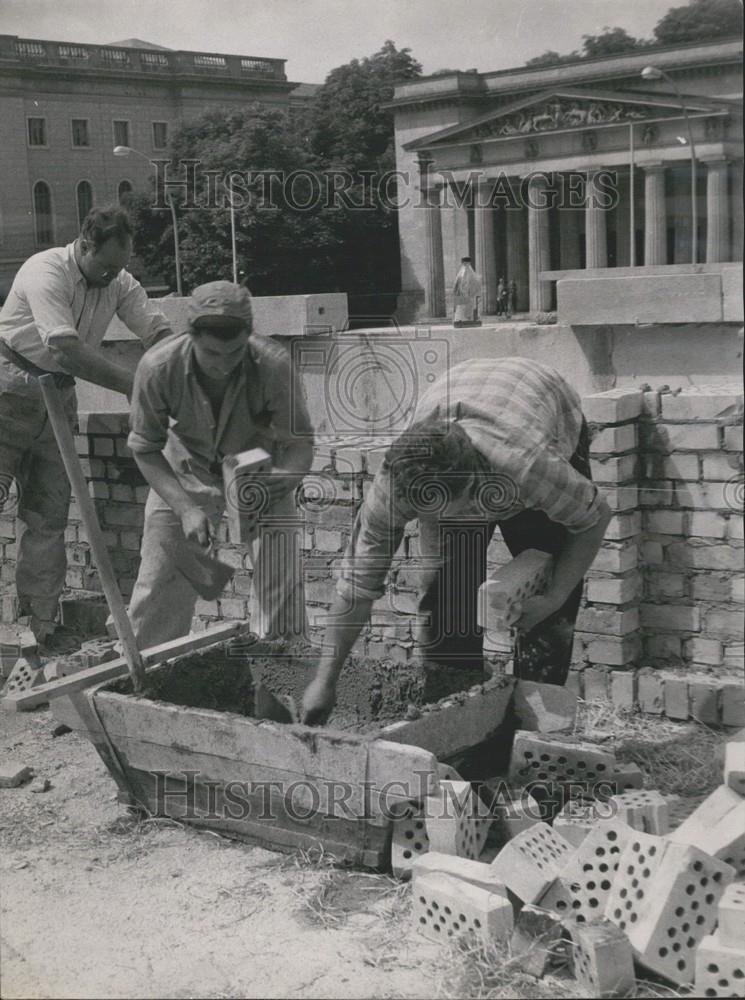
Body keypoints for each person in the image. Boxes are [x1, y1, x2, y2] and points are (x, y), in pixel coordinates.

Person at [301, 357, 611, 725]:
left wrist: (555, 595)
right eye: (425, 512)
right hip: (465, 396)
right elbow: (355, 586)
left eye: (448, 510)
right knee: (445, 608)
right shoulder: (393, 486)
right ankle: (456, 724)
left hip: (544, 404)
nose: (442, 522)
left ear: (475, 484)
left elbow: (593, 520)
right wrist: (325, 682)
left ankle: (533, 731)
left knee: (547, 608)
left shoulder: (530, 468)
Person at [0, 205, 174, 643]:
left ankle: (38, 630)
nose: (111, 275)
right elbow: (65, 349)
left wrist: (176, 369)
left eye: (121, 266)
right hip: (8, 391)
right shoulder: (45, 270)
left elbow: (155, 331)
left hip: (56, 398)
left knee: (47, 516)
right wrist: (134, 385)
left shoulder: (118, 280)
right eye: (106, 265)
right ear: (84, 244)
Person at [126, 280, 314, 649]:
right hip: (184, 472)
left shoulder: (273, 365)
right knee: (159, 583)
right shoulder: (157, 367)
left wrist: (286, 477)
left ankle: (280, 685)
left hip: (260, 476)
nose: (224, 366)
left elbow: (300, 443)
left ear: (248, 336)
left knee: (281, 588)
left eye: (234, 354)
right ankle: (143, 686)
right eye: (212, 354)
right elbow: (145, 449)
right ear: (191, 336)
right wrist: (184, 508)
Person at [452, 257, 482, 327]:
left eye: (466, 264)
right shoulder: (465, 274)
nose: (466, 265)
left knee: (466, 309)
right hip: (464, 297)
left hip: (467, 297)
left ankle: (466, 319)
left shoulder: (463, 274)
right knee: (463, 309)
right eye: (465, 264)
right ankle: (464, 319)